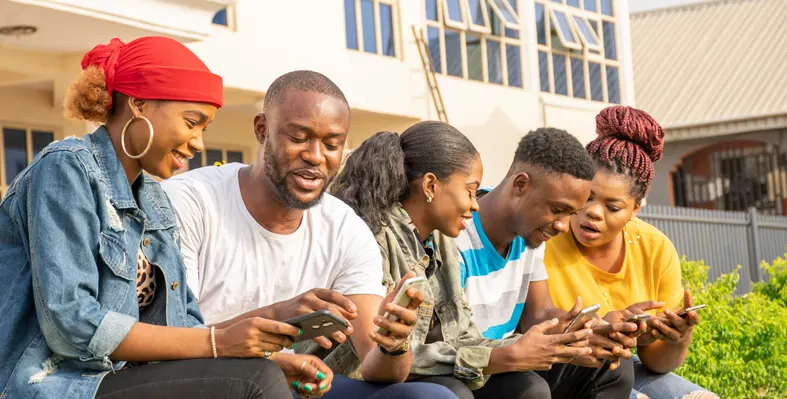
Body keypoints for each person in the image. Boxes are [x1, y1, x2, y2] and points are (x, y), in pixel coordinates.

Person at [0, 37, 332, 399]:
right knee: (255, 382)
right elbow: (73, 325)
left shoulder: (155, 202)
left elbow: (183, 328)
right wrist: (221, 344)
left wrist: (260, 355)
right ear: (139, 104)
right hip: (54, 385)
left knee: (260, 375)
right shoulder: (67, 169)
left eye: (203, 129)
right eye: (192, 122)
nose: (199, 143)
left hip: (119, 381)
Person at [161, 70, 455, 399]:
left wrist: (393, 344)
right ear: (262, 129)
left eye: (332, 144)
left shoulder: (344, 227)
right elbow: (171, 340)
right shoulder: (189, 202)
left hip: (290, 383)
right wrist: (277, 315)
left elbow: (378, 369)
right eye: (299, 138)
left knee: (429, 397)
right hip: (203, 382)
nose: (316, 156)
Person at [330, 123, 628, 399]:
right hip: (353, 378)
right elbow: (379, 358)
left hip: (406, 372)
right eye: (471, 191)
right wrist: (508, 356)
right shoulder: (373, 237)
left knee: (529, 387)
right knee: (451, 393)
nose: (475, 204)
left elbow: (463, 336)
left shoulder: (440, 242)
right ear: (431, 186)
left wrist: (549, 345)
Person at [544, 106, 717, 399]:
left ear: (635, 209)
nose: (593, 213)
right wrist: (601, 329)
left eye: (613, 208)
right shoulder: (546, 235)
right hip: (557, 369)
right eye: (586, 197)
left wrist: (676, 339)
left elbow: (656, 362)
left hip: (624, 367)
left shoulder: (655, 248)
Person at [453, 127, 637, 399]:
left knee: (612, 367)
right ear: (521, 185)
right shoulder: (457, 234)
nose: (563, 226)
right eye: (557, 210)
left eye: (571, 213)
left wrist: (579, 330)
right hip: (463, 368)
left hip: (507, 364)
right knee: (529, 390)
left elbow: (538, 314)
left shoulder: (529, 235)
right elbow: (450, 348)